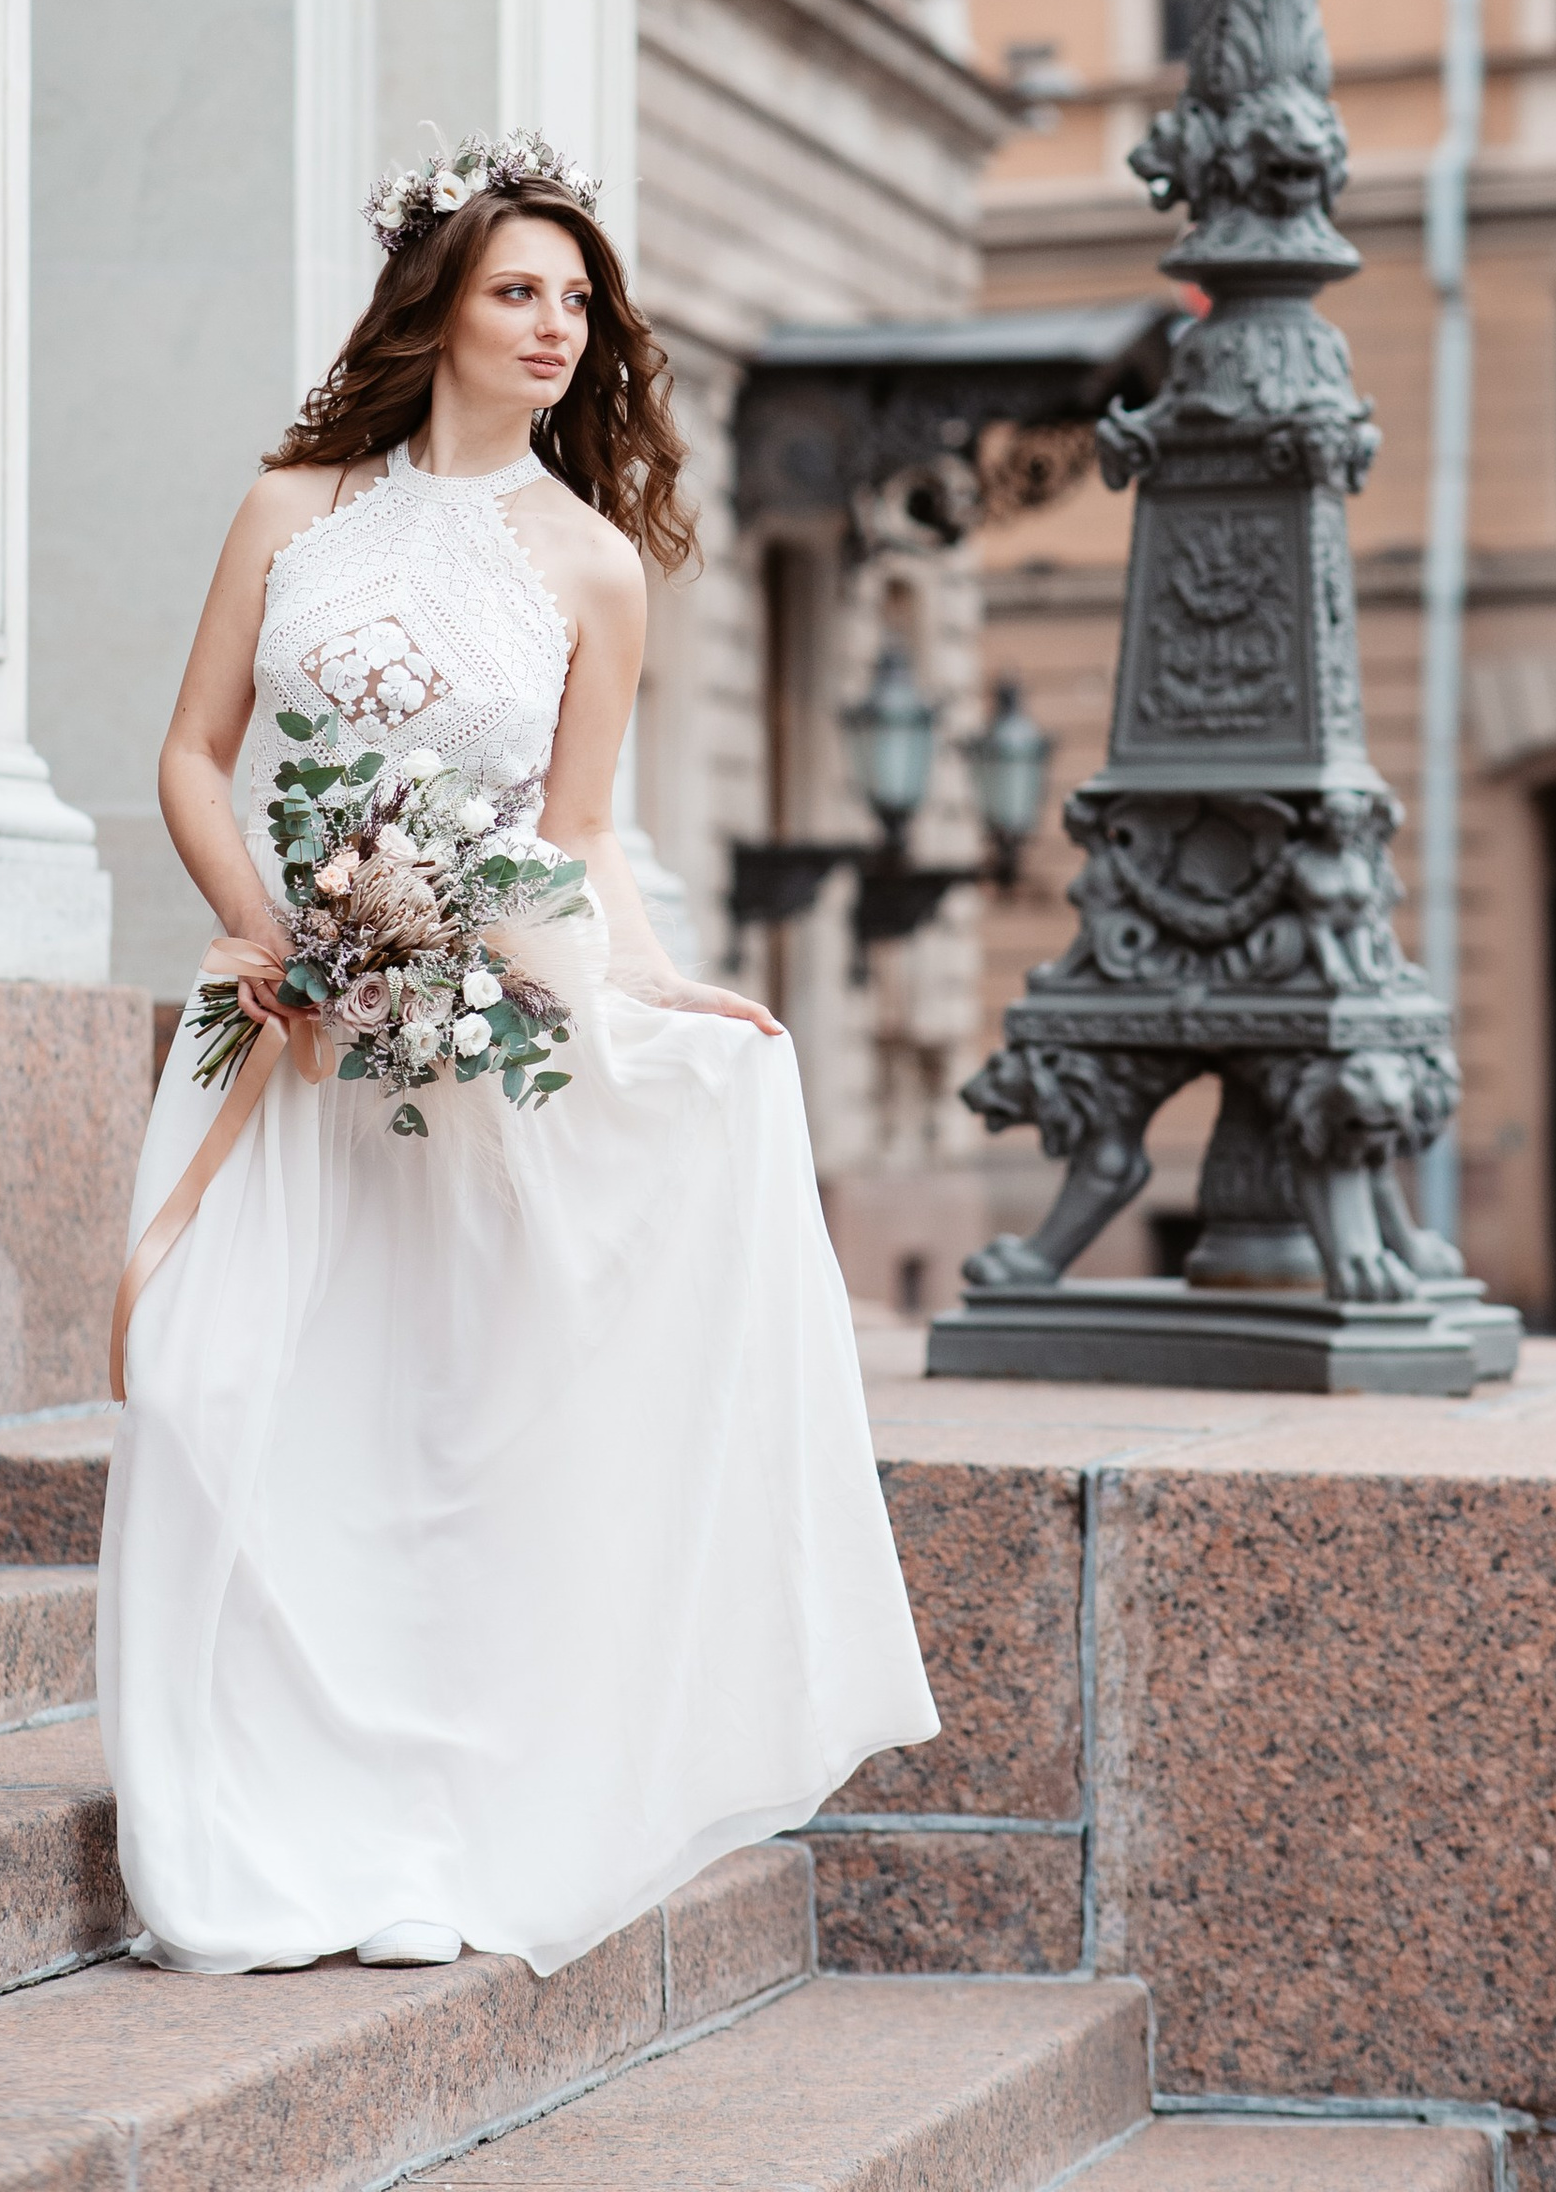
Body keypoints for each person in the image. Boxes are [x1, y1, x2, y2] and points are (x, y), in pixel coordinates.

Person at [97, 130, 936, 1975]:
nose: (558, 325)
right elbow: (192, 754)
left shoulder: (594, 565)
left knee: (428, 1441)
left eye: (578, 300)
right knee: (222, 1394)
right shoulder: (292, 507)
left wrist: (659, 984)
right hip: (284, 1036)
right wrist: (271, 935)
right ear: (441, 309)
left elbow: (581, 835)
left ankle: (423, 1832)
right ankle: (243, 1803)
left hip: (470, 1055)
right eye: (519, 292)